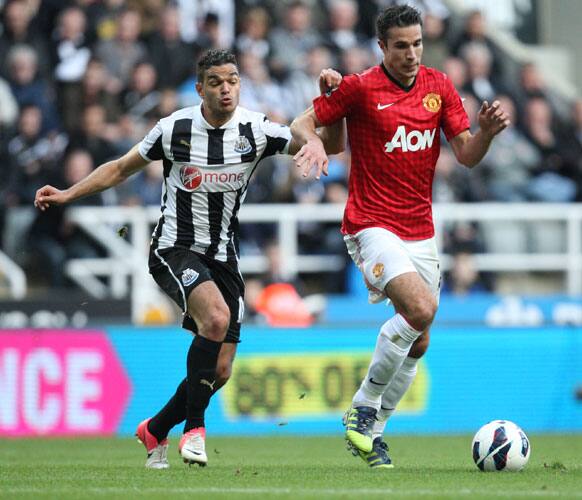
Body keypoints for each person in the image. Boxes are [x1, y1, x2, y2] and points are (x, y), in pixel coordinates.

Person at [34, 49, 344, 468]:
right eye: (216, 82)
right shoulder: (174, 128)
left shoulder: (255, 129)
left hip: (224, 257)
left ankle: (155, 430)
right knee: (215, 319)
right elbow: (120, 168)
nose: (226, 88)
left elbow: (331, 144)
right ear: (200, 89)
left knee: (220, 372)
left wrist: (334, 109)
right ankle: (194, 431)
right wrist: (69, 194)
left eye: (232, 80)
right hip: (173, 249)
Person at [290, 4, 509, 468]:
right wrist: (310, 140)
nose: (412, 54)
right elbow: (303, 122)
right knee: (421, 309)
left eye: (418, 44)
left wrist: (485, 133)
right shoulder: (360, 87)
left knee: (421, 338)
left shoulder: (440, 86)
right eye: (401, 46)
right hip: (370, 223)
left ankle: (375, 433)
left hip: (420, 229)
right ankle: (362, 408)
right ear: (382, 47)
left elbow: (467, 155)